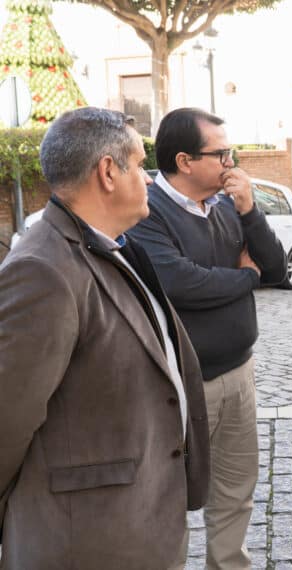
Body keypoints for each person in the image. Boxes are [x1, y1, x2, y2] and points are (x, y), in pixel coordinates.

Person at [0, 107, 210, 568]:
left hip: (137, 524)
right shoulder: (43, 269)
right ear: (108, 172)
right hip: (86, 540)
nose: (149, 178)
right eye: (139, 164)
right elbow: (7, 420)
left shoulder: (114, 246)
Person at [128, 107, 286, 569]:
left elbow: (276, 268)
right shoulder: (148, 210)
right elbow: (180, 283)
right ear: (185, 161)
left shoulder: (227, 205)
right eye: (221, 154)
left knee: (236, 490)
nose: (231, 163)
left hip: (239, 372)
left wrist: (251, 211)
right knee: (170, 495)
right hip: (181, 384)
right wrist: (245, 277)